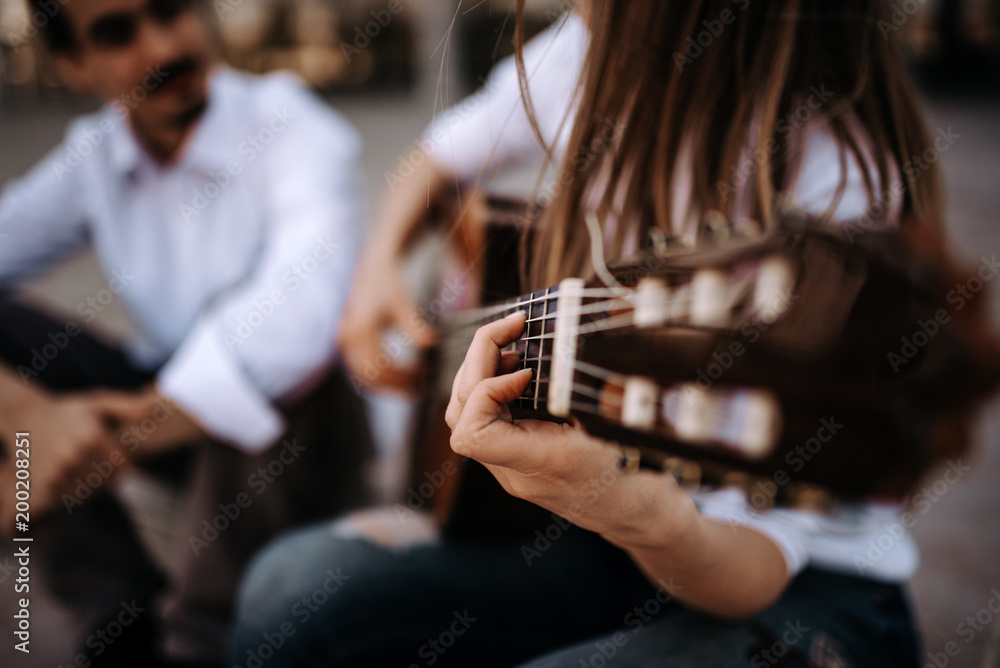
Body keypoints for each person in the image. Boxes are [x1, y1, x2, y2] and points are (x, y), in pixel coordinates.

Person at [233, 1, 943, 666]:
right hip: (607, 539)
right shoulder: (595, 42)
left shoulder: (844, 189)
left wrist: (625, 506)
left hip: (796, 590)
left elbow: (757, 569)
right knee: (288, 594)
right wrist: (377, 274)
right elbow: (436, 158)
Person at [0, 0, 370, 664]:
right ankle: (117, 627)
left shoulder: (292, 126)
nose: (163, 46)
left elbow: (297, 324)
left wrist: (68, 454)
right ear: (74, 67)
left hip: (308, 440)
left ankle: (203, 638)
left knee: (287, 371)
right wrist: (27, 416)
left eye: (171, 10)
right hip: (162, 405)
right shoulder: (93, 158)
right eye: (116, 34)